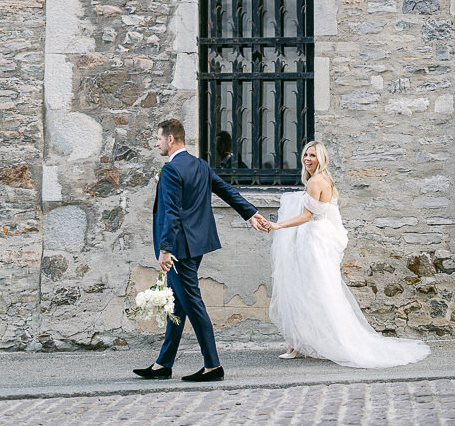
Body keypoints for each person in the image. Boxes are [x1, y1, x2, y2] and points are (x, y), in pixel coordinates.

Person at [268, 141, 430, 368]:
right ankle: (297, 343)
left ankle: (304, 344)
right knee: (316, 289)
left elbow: (306, 216)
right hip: (321, 239)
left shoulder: (315, 181)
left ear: (320, 158)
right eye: (305, 154)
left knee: (310, 290)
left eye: (312, 155)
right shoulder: (326, 180)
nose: (307, 158)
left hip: (313, 241)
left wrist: (278, 225)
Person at [133, 119, 270, 383]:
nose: (157, 143)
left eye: (159, 139)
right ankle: (163, 364)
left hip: (179, 250)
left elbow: (171, 213)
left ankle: (212, 365)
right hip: (196, 246)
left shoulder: (172, 170)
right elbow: (227, 190)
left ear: (171, 139)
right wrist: (250, 213)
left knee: (192, 304)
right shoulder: (200, 165)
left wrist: (165, 249)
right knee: (178, 303)